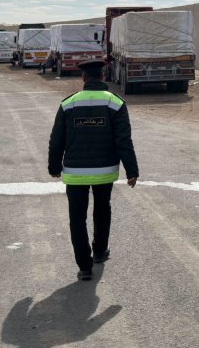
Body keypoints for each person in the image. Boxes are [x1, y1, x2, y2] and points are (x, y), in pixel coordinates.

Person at [48, 59, 139, 280]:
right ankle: (99, 251)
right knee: (102, 209)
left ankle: (84, 266)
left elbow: (56, 139)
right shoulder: (115, 103)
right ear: (103, 75)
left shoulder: (68, 104)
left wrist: (54, 167)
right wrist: (132, 170)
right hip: (104, 171)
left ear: (83, 78)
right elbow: (123, 141)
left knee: (76, 218)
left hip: (75, 173)